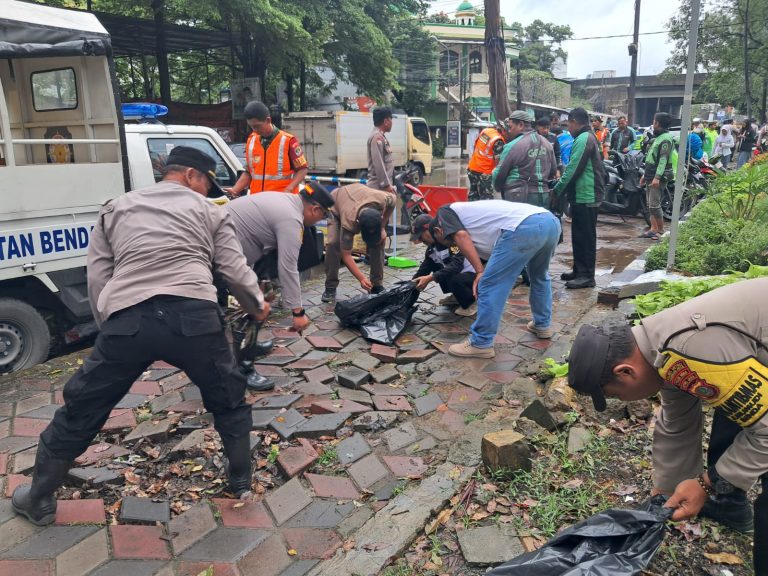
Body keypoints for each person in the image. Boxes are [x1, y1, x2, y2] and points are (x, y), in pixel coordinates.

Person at [11, 147, 270, 526]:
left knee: (83, 405)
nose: (207, 191)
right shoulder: (212, 211)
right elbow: (234, 269)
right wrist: (257, 305)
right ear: (192, 175)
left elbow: (98, 275)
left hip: (129, 318)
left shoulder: (116, 208)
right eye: (206, 183)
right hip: (195, 318)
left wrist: (112, 325)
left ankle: (38, 499)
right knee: (228, 397)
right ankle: (240, 481)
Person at [567, 278, 768, 576]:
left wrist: (706, 484)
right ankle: (728, 502)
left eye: (615, 395)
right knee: (736, 407)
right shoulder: (657, 348)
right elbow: (677, 421)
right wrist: (667, 489)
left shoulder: (691, 348)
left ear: (625, 371)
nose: (620, 400)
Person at [428, 200, 560, 359]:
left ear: (438, 231)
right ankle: (542, 325)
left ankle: (481, 343)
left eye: (447, 241)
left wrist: (479, 272)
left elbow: (461, 236)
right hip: (549, 221)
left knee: (489, 284)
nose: (452, 245)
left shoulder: (444, 212)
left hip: (523, 227)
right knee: (539, 277)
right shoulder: (474, 219)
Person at [227, 182, 335, 334]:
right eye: (323, 215)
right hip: (221, 251)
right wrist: (298, 312)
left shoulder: (285, 200)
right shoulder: (292, 220)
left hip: (226, 243)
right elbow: (288, 267)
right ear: (315, 209)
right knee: (219, 305)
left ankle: (245, 339)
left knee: (251, 299)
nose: (319, 220)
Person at [553, 107, 605, 289]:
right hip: (582, 194)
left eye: (568, 125)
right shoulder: (587, 137)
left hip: (587, 195)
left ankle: (587, 276)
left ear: (574, 122)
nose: (568, 129)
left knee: (585, 237)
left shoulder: (584, 138)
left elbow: (573, 169)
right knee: (578, 236)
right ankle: (579, 270)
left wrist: (557, 189)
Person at [321, 183, 395, 302]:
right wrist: (361, 278)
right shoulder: (349, 222)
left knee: (380, 240)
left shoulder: (383, 199)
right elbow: (346, 254)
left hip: (359, 196)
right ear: (358, 224)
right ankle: (330, 286)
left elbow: (393, 202)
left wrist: (382, 228)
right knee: (333, 243)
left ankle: (377, 285)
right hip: (336, 205)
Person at [228, 101, 308, 195]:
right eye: (251, 127)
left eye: (257, 126)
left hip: (281, 199)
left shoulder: (288, 141)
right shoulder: (252, 140)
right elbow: (249, 172)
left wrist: (289, 189)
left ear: (268, 120)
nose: (255, 130)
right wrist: (235, 190)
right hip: (258, 200)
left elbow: (302, 169)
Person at [410, 213, 477, 317]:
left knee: (451, 275)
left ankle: (472, 301)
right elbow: (424, 269)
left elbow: (457, 265)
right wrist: (411, 284)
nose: (421, 241)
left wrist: (431, 278)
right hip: (462, 276)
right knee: (438, 269)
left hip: (475, 276)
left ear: (429, 230)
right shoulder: (431, 250)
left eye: (420, 236)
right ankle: (458, 295)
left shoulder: (451, 240)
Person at [493, 110, 557, 208]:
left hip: (519, 198)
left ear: (521, 125)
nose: (509, 130)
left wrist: (497, 187)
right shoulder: (547, 144)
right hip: (544, 197)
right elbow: (553, 171)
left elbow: (499, 175)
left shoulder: (512, 146)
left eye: (510, 127)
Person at [639, 112, 674, 241]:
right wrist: (645, 175)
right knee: (650, 205)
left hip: (657, 176)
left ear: (657, 123)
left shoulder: (665, 139)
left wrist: (657, 177)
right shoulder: (658, 138)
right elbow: (651, 158)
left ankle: (660, 230)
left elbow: (663, 160)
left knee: (654, 205)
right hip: (650, 174)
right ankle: (653, 229)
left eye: (654, 122)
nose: (653, 124)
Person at [466, 119, 510, 201]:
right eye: (508, 132)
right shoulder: (498, 141)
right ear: (503, 130)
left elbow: (476, 146)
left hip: (472, 168)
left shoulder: (486, 131)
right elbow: (498, 161)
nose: (508, 135)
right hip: (484, 173)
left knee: (473, 196)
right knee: (487, 199)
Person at [367, 107, 396, 194]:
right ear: (386, 121)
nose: (392, 123)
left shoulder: (380, 136)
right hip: (379, 189)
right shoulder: (377, 137)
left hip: (382, 188)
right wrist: (386, 185)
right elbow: (378, 163)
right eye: (391, 119)